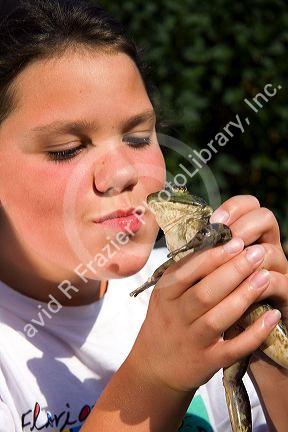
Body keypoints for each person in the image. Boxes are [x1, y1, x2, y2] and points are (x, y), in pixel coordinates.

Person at [0, 0, 287, 431]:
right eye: (67, 149)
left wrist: (268, 336)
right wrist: (154, 377)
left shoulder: (196, 291)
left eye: (137, 139)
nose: (121, 173)